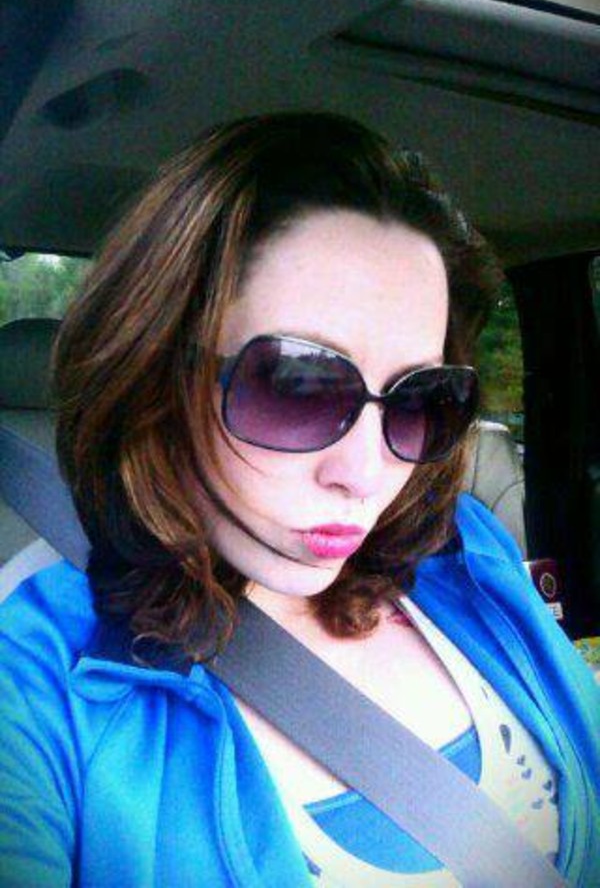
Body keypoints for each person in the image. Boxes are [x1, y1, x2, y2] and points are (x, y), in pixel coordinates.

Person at [0, 112, 598, 887]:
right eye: (298, 386)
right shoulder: (35, 675)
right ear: (160, 377)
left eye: (420, 400)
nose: (366, 472)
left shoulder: (462, 547)